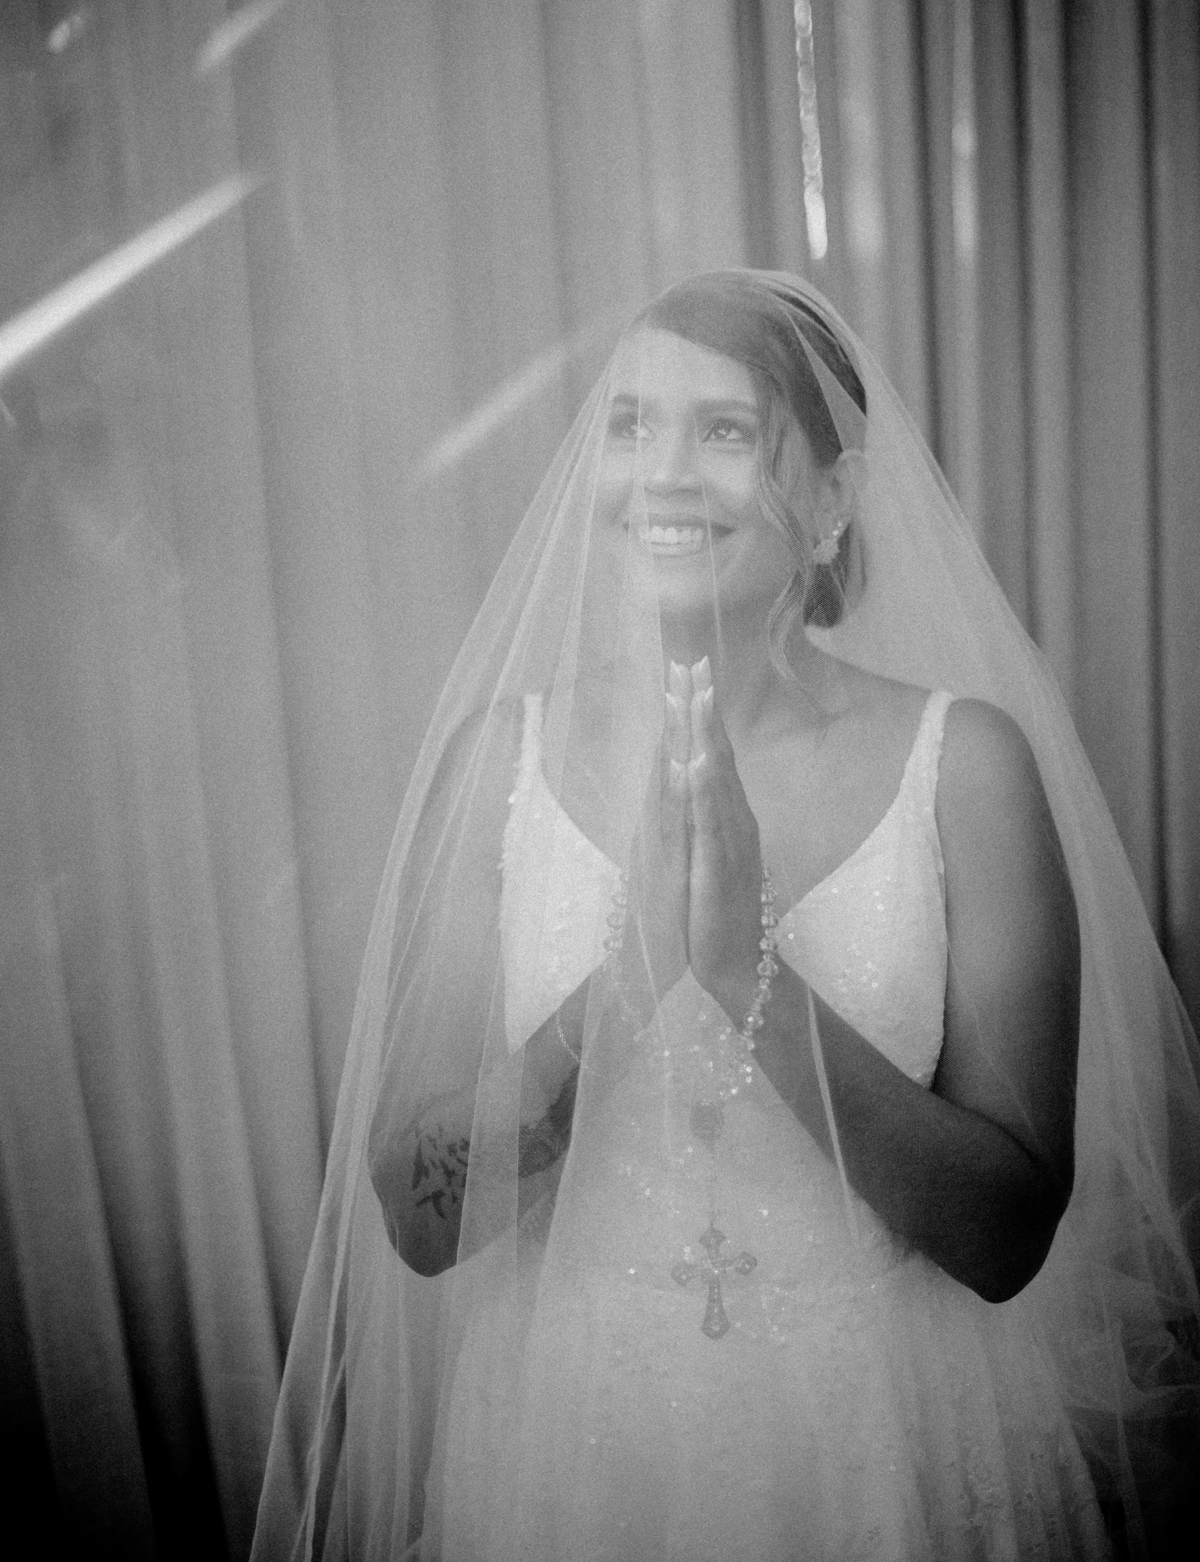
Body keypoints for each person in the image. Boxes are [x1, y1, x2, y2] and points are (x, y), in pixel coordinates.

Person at [252, 273, 1200, 1561]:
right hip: (570, 1448)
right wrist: (629, 984)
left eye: (725, 431)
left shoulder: (966, 767)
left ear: (834, 500)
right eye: (631, 425)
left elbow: (1006, 1237)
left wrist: (752, 975)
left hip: (883, 1445)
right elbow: (418, 1226)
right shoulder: (496, 768)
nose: (663, 474)